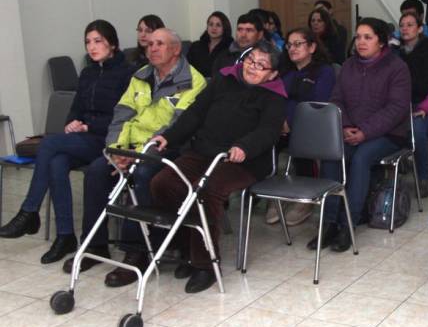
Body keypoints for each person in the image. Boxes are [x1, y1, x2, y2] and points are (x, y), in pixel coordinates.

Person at [62, 28, 207, 287]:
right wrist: (115, 151)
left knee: (141, 175)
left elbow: (177, 128)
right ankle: (94, 247)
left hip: (168, 149)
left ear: (176, 50)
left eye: (159, 44)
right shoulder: (139, 76)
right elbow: (120, 116)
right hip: (129, 148)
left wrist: (137, 156)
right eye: (149, 44)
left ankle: (136, 251)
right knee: (96, 171)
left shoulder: (193, 82)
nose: (152, 48)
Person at [150, 41, 286, 293]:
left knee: (206, 190)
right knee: (163, 184)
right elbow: (195, 113)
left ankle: (205, 265)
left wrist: (244, 146)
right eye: (250, 60)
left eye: (261, 65)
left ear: (272, 74)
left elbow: (268, 131)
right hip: (204, 151)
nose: (252, 68)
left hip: (244, 161)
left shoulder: (275, 96)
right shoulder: (224, 80)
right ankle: (185, 248)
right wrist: (169, 137)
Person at [0, 21, 135, 264]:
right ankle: (65, 236)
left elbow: (124, 118)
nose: (92, 47)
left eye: (98, 41)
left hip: (109, 139)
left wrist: (88, 126)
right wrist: (73, 122)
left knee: (50, 145)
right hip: (85, 138)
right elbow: (76, 110)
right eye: (87, 42)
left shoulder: (126, 73)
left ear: (112, 44)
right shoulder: (87, 73)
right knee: (56, 162)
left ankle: (29, 211)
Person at [306, 18, 410, 252]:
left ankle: (348, 225)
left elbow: (396, 109)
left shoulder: (397, 68)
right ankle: (329, 223)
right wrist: (344, 126)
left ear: (381, 42)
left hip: (388, 134)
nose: (361, 42)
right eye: (358, 36)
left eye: (368, 37)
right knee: (333, 154)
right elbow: (337, 100)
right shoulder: (349, 65)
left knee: (362, 157)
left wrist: (365, 131)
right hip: (352, 130)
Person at [266, 28, 336, 226]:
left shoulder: (324, 71)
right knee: (262, 144)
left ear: (312, 47)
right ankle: (275, 196)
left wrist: (289, 119)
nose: (292, 48)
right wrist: (280, 120)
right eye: (289, 45)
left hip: (312, 126)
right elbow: (272, 98)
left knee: (301, 144)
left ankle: (305, 201)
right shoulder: (284, 72)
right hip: (281, 126)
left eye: (298, 44)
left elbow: (317, 104)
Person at [395, 12, 428, 196]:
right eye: (402, 25)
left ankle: (423, 177)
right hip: (406, 103)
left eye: (410, 25)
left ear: (420, 29)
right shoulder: (397, 51)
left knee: (416, 128)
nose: (405, 29)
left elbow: (426, 85)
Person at [186, 11, 233, 78]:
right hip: (196, 83)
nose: (214, 28)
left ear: (225, 28)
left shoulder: (230, 48)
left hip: (217, 84)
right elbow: (187, 68)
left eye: (218, 25)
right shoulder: (195, 46)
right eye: (211, 24)